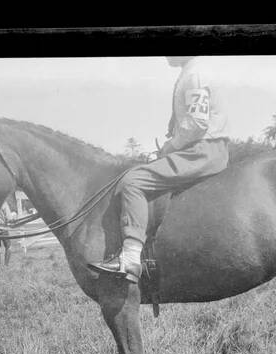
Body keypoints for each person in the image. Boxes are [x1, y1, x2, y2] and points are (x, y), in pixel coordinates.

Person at [88, 56, 232, 283]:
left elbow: (197, 123)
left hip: (202, 150)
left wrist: (169, 147)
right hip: (205, 148)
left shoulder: (195, 74)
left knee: (133, 180)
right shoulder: (195, 71)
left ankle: (131, 259)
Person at [0, 200, 16, 267]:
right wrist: (12, 219)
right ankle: (6, 265)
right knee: (9, 246)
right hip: (3, 227)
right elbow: (9, 218)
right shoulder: (3, 203)